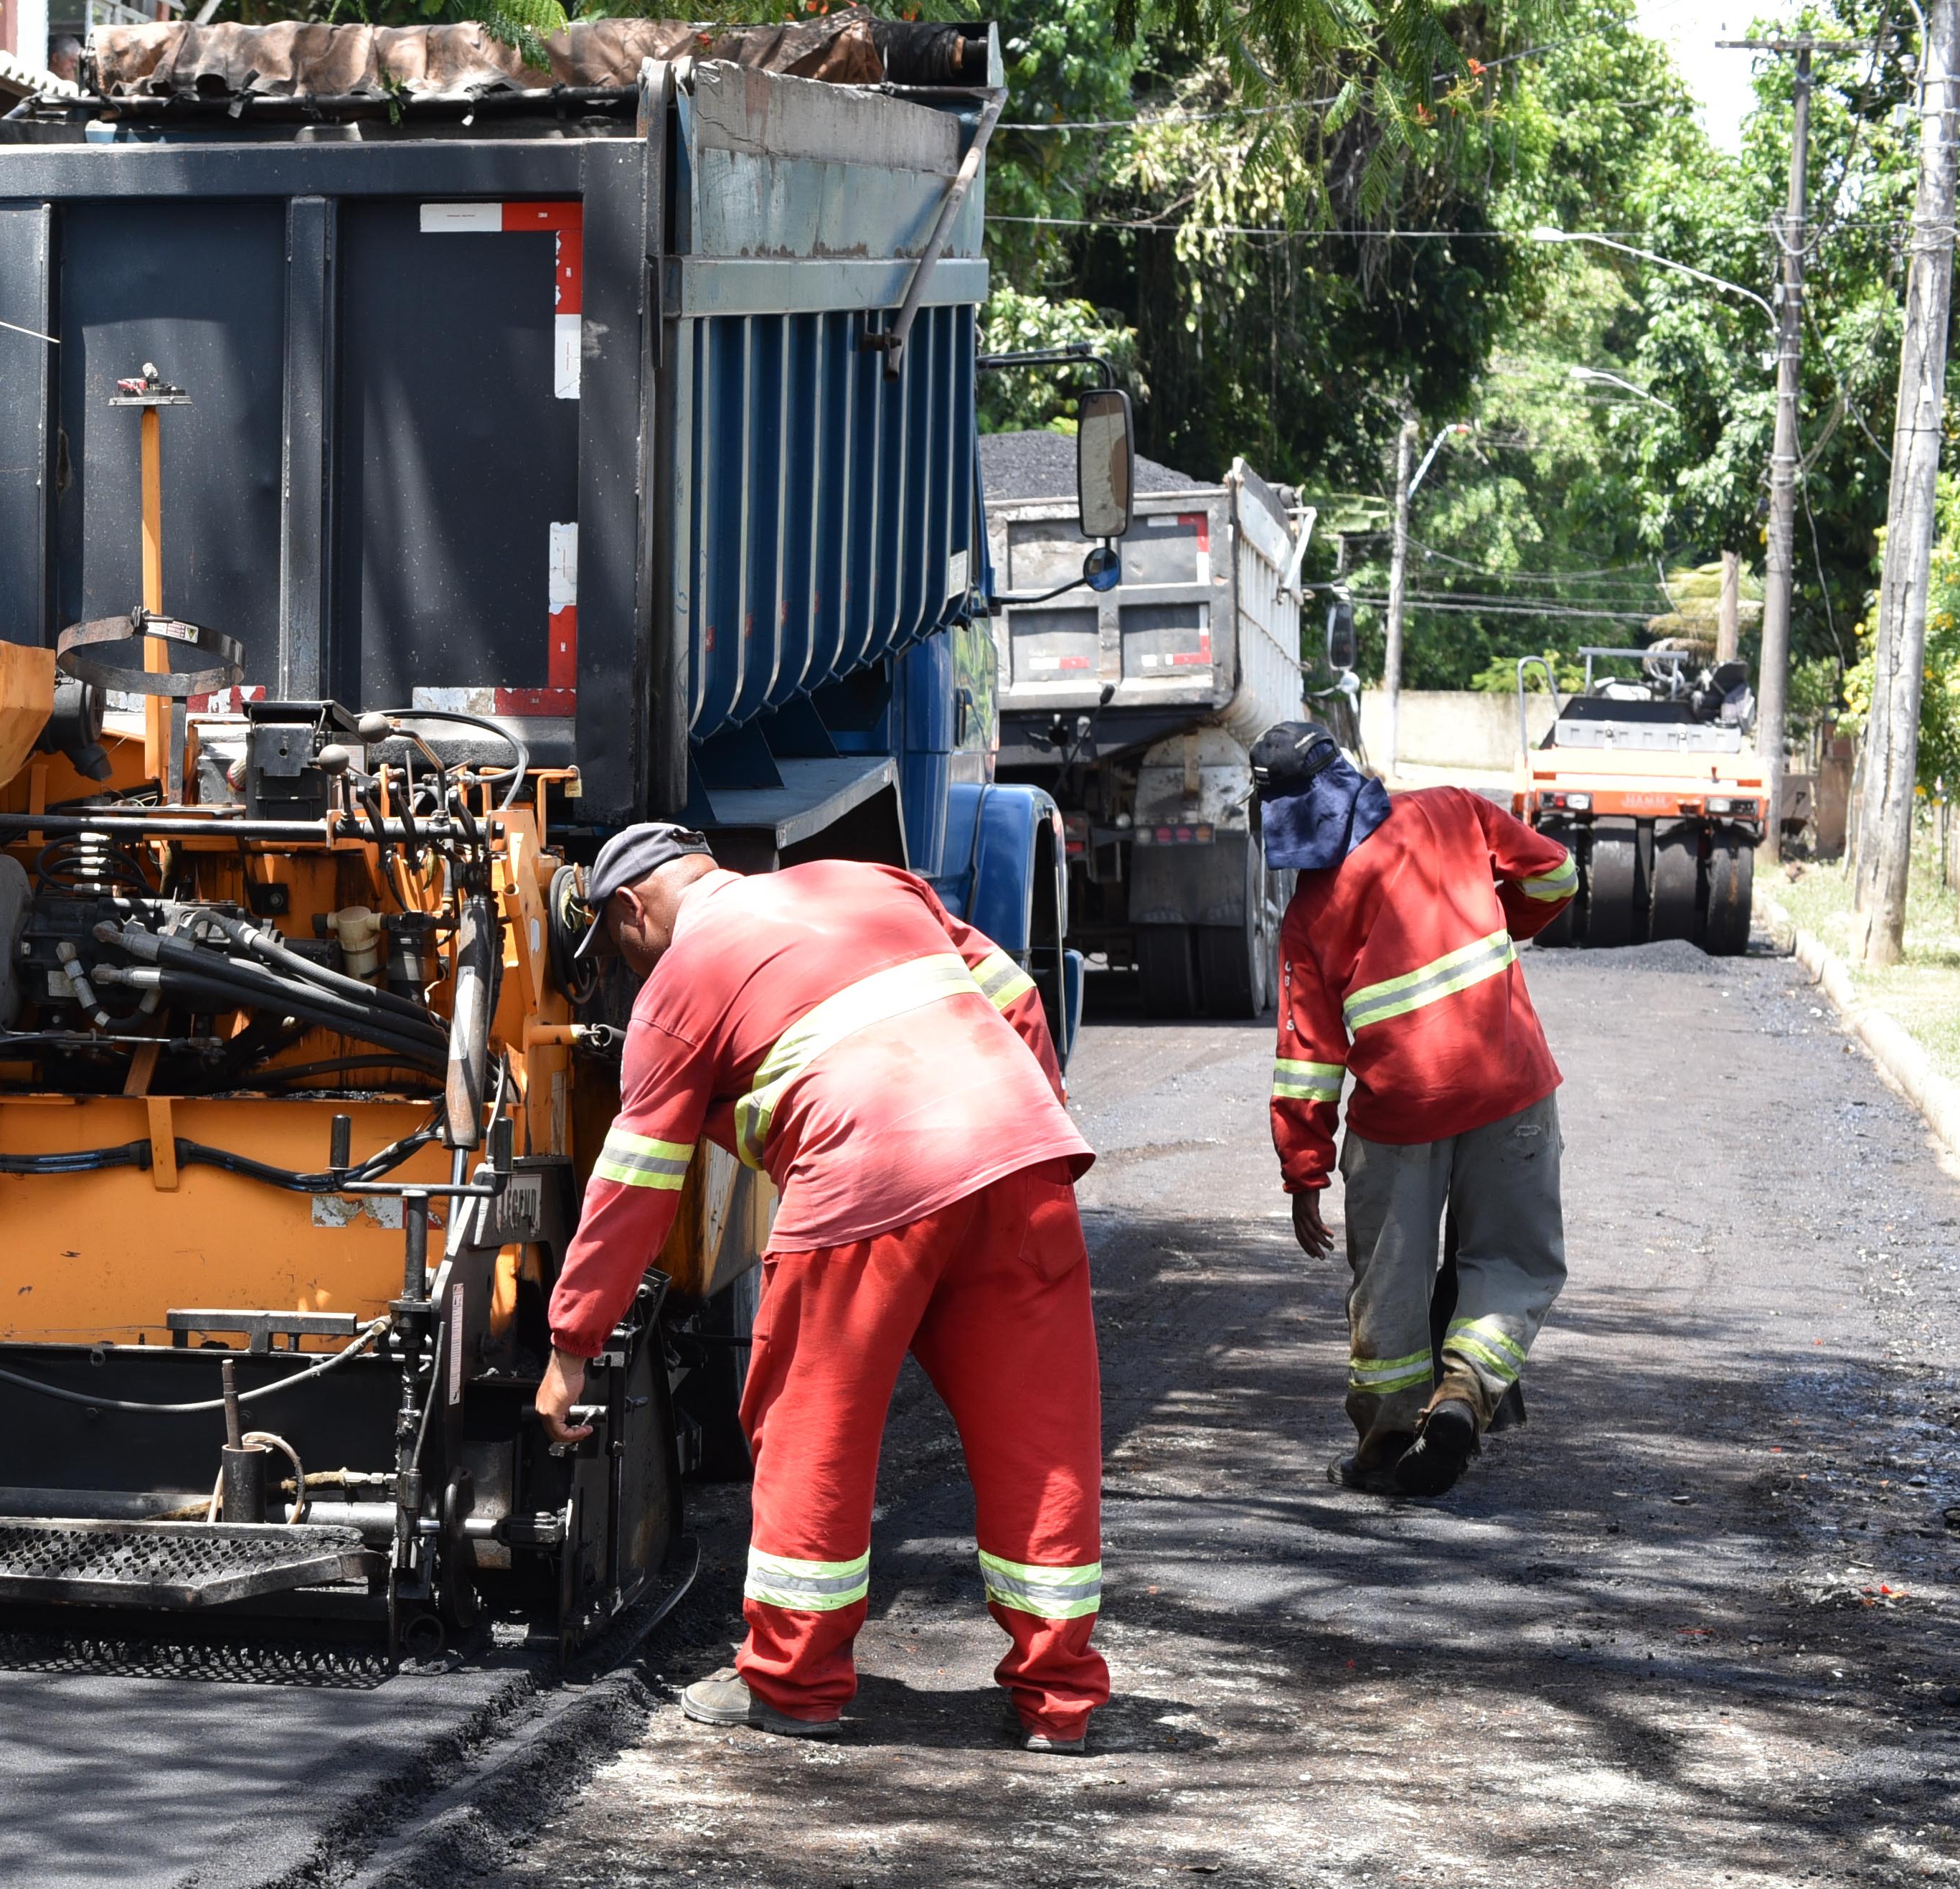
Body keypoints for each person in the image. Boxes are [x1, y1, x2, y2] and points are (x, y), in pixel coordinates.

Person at [530, 826, 1108, 1751]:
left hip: (868, 1181)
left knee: (811, 1427)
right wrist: (1024, 1127)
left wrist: (572, 1344)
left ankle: (793, 1683)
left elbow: (635, 1184)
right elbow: (1017, 998)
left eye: (616, 949)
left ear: (631, 907)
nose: (628, 970)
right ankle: (1061, 1697)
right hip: (1022, 1162)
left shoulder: (681, 981)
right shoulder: (868, 881)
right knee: (1041, 1441)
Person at [1252, 720, 1580, 1497]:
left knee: (1390, 1283)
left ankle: (1387, 1440)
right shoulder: (1453, 810)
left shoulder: (1308, 915)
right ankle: (1464, 1394)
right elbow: (1556, 875)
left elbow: (1308, 1062)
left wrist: (1304, 1172)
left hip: (1398, 1114)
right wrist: (1504, 923)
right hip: (1510, 1083)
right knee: (1510, 1260)